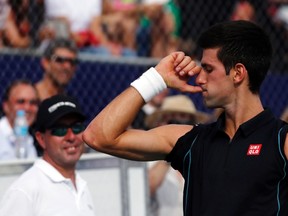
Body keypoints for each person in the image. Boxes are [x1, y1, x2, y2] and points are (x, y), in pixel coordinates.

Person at [82, 20, 288, 215]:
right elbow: (98, 136)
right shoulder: (192, 140)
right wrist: (156, 78)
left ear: (238, 73)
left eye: (208, 69)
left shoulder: (281, 141)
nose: (199, 78)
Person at [0, 94, 95, 216]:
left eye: (77, 127)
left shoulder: (82, 185)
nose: (71, 137)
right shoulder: (25, 190)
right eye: (60, 130)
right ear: (41, 139)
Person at [146, 95, 210, 216]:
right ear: (160, 124)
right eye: (172, 122)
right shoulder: (148, 158)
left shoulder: (204, 156)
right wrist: (171, 153)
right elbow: (146, 189)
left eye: (184, 121)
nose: (176, 128)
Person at [0, 79, 39, 160]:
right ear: (6, 106)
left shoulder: (31, 139)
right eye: (21, 102)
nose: (27, 108)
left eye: (33, 102)